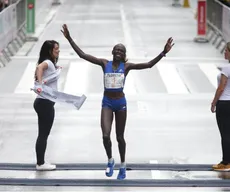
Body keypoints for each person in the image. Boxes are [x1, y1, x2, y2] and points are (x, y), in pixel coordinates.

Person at [61, 24, 174, 180]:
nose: (119, 52)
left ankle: (122, 166)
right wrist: (69, 38)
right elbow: (82, 55)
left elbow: (148, 65)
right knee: (106, 136)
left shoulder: (126, 67)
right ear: (112, 52)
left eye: (122, 51)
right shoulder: (103, 63)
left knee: (120, 137)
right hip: (107, 102)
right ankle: (110, 160)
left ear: (124, 55)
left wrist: (163, 52)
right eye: (117, 50)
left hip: (120, 103)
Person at [33, 40, 60, 171]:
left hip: (42, 102)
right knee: (43, 134)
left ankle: (40, 161)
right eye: (56, 49)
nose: (58, 51)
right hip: (45, 103)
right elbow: (40, 68)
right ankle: (41, 163)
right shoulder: (48, 62)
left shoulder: (50, 63)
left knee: (42, 134)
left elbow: (43, 70)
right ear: (50, 51)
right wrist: (40, 84)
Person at [211, 42, 230, 171]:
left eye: (226, 51)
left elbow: (221, 87)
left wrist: (214, 102)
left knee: (225, 134)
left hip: (224, 103)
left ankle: (226, 162)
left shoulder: (227, 68)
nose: (224, 52)